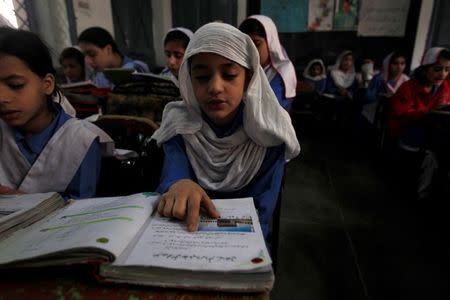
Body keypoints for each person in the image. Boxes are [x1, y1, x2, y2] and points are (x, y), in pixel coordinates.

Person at [152, 22, 300, 239]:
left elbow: (260, 215)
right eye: (202, 77)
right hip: (184, 237)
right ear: (188, 79)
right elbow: (173, 176)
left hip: (245, 241)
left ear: (248, 79)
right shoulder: (179, 124)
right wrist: (179, 184)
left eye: (229, 74)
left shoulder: (269, 132)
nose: (215, 87)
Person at [0, 27, 109, 199]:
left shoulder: (79, 141)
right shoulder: (3, 131)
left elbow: (80, 210)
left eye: (16, 85)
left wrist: (22, 202)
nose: (2, 98)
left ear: (47, 84)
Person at [388, 47, 450, 199]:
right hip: (408, 135)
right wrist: (427, 113)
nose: (443, 74)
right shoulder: (408, 88)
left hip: (431, 136)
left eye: (447, 69)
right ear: (425, 68)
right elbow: (400, 114)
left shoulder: (444, 86)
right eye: (437, 69)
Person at [239, 15, 297, 111]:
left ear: (270, 43)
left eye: (257, 44)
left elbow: (268, 111)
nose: (251, 51)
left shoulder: (282, 73)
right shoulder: (244, 69)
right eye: (246, 45)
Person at [78, 27, 149, 88]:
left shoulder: (137, 68)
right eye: (84, 56)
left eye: (92, 54)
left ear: (108, 49)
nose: (87, 61)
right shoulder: (100, 76)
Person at [363, 52, 409, 124]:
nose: (399, 67)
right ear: (388, 64)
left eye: (402, 63)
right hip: (375, 115)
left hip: (395, 117)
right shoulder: (379, 78)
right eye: (395, 63)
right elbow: (369, 96)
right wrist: (381, 97)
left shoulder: (406, 80)